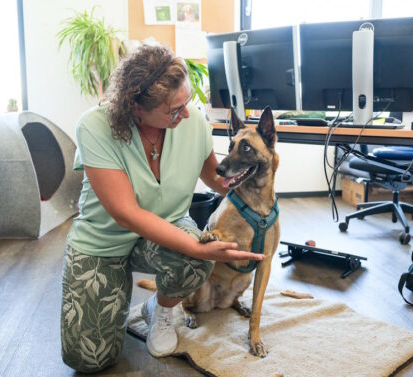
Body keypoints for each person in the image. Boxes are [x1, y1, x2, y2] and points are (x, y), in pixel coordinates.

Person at [60, 44, 264, 373]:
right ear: (135, 107)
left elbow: (215, 177)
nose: (185, 114)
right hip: (103, 242)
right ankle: (118, 292)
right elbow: (127, 213)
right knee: (89, 360)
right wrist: (203, 250)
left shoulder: (192, 121)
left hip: (167, 224)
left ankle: (160, 308)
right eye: (174, 110)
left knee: (195, 259)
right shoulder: (95, 126)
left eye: (187, 102)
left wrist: (254, 173)